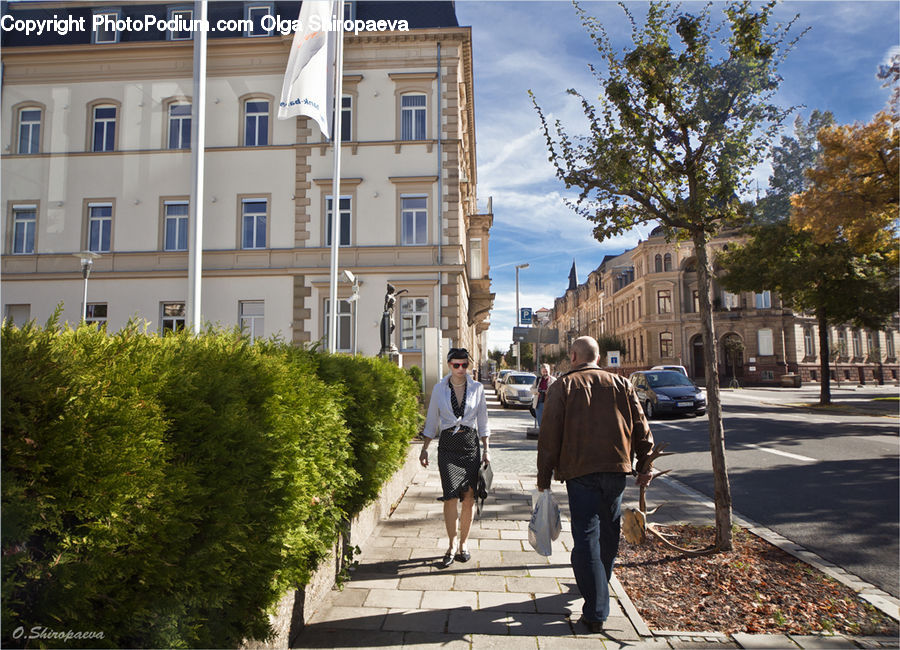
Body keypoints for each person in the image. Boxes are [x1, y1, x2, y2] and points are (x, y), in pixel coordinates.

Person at [536, 336, 655, 633]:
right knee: (608, 532)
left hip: (579, 472)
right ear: (598, 358)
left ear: (573, 356)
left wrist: (544, 478)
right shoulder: (621, 384)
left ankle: (596, 607)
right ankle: (599, 586)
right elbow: (642, 427)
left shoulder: (561, 387)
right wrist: (645, 465)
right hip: (616, 469)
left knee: (586, 536)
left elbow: (549, 437)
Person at [420, 348, 491, 567]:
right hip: (448, 447)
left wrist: (487, 449)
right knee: (450, 496)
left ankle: (464, 544)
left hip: (470, 446)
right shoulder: (440, 389)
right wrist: (424, 448)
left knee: (469, 498)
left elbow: (483, 419)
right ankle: (451, 544)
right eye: (456, 365)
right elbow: (432, 419)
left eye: (464, 365)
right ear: (449, 365)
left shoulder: (477, 388)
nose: (460, 369)